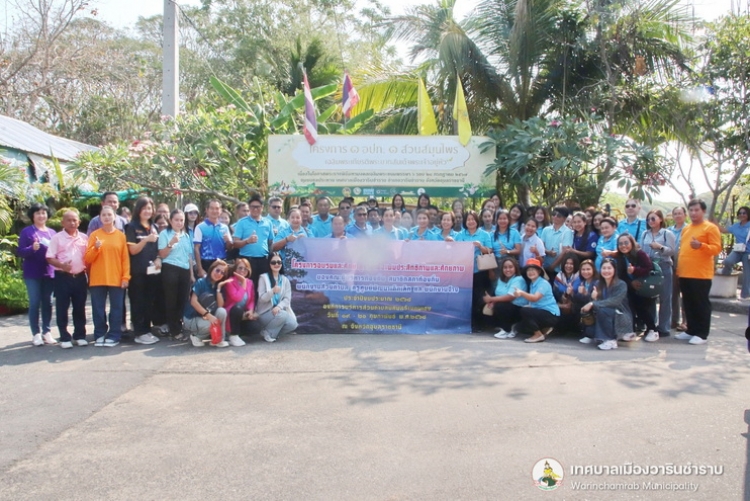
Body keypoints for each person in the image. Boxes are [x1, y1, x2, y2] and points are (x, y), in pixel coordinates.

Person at [674, 199, 722, 345]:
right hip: (685, 272)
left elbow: (716, 248)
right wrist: (679, 269)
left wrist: (701, 246)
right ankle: (691, 330)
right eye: (691, 210)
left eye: (696, 210)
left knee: (701, 303)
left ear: (703, 211)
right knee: (688, 303)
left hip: (701, 274)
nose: (693, 213)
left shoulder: (710, 228)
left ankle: (702, 333)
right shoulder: (686, 229)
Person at [85, 206, 130, 347]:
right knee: (98, 309)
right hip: (97, 278)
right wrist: (96, 248)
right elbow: (88, 258)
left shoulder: (120, 236)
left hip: (116, 278)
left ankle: (114, 335)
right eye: (103, 215)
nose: (106, 217)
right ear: (99, 218)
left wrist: (125, 277)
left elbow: (125, 259)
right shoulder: (94, 235)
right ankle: (99, 334)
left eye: (109, 215)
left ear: (114, 217)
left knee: (116, 308)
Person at [46, 210, 88, 348]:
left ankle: (79, 335)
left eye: (74, 220)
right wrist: (61, 265)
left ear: (79, 222)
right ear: (62, 222)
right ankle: (64, 337)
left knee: (80, 307)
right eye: (68, 220)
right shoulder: (57, 238)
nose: (72, 223)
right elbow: (49, 257)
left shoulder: (84, 238)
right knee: (62, 308)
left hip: (80, 277)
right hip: (62, 278)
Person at [18, 203, 57, 346]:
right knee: (34, 302)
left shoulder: (52, 233)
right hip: (32, 273)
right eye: (38, 213)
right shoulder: (27, 231)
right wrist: (32, 248)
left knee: (48, 303)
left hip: (49, 272)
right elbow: (20, 251)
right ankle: (36, 333)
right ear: (32, 216)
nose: (41, 216)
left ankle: (47, 331)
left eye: (43, 213)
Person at [125, 197, 161, 345]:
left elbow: (158, 248)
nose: (147, 211)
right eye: (144, 208)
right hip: (137, 272)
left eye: (149, 208)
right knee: (138, 302)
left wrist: (158, 258)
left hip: (152, 271)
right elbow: (132, 250)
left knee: (149, 302)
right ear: (138, 210)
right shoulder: (131, 227)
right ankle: (139, 333)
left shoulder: (154, 226)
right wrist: (145, 239)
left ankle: (146, 330)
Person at [579, 257, 633, 350]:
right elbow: (593, 302)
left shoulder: (621, 284)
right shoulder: (598, 283)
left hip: (619, 315)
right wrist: (591, 297)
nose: (606, 271)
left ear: (614, 270)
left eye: (609, 268)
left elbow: (614, 301)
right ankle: (601, 336)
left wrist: (593, 303)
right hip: (602, 315)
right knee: (590, 330)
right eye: (604, 268)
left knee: (603, 310)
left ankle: (610, 340)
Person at [614, 233, 657, 341]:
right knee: (630, 308)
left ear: (632, 243)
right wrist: (631, 283)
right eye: (620, 244)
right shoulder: (620, 257)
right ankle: (631, 331)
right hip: (630, 286)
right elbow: (621, 274)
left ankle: (653, 330)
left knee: (642, 309)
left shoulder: (640, 254)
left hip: (644, 286)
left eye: (626, 243)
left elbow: (648, 268)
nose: (623, 246)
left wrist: (635, 270)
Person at [158, 209, 195, 338]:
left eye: (181, 220)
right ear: (170, 221)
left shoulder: (186, 236)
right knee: (171, 300)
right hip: (170, 268)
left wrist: (191, 274)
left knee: (183, 299)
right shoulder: (165, 234)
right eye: (176, 220)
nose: (179, 223)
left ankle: (179, 325)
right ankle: (173, 329)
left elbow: (189, 256)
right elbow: (162, 254)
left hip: (185, 269)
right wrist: (171, 243)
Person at [640, 209, 676, 339]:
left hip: (663, 266)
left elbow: (672, 251)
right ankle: (651, 326)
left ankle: (664, 327)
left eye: (653, 218)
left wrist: (660, 247)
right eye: (648, 219)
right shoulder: (645, 234)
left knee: (665, 298)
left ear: (660, 219)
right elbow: (641, 250)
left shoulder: (667, 234)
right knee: (650, 297)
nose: (651, 221)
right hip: (650, 267)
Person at [456, 211, 493, 331]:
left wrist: (480, 247)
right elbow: (453, 250)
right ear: (465, 222)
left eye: (473, 219)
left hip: (479, 272)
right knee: (465, 298)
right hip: (464, 272)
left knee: (478, 298)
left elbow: (490, 251)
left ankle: (478, 324)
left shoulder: (484, 234)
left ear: (477, 221)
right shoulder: (460, 235)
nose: (471, 222)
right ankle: (465, 323)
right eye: (468, 219)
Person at [183, 260, 230, 348]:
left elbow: (220, 306)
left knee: (222, 311)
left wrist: (219, 288)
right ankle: (196, 337)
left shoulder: (218, 286)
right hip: (192, 318)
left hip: (205, 317)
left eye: (222, 273)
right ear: (212, 269)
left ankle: (218, 339)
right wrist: (208, 315)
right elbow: (193, 302)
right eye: (217, 270)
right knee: (212, 324)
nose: (219, 274)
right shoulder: (201, 282)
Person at [513, 258, 560, 343]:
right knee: (519, 327)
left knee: (525, 311)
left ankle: (538, 334)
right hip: (540, 312)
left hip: (550, 314)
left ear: (539, 271)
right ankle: (545, 330)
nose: (530, 272)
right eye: (528, 270)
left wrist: (521, 293)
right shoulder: (533, 283)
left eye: (533, 269)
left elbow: (535, 298)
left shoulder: (543, 283)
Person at [233, 194, 274, 292]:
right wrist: (247, 241)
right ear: (249, 207)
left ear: (262, 208)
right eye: (252, 207)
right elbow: (235, 243)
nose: (255, 209)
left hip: (263, 260)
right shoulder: (242, 222)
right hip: (247, 260)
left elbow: (271, 241)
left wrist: (271, 256)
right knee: (247, 288)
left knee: (263, 288)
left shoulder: (268, 223)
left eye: (258, 207)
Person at [256, 253, 298, 342]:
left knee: (293, 324)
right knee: (283, 315)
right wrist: (272, 291)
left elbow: (287, 299)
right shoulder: (263, 278)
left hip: (278, 312)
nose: (276, 264)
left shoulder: (285, 280)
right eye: (273, 262)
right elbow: (262, 299)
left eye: (279, 262)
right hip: (264, 313)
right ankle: (269, 333)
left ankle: (269, 332)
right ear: (269, 264)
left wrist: (279, 307)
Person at [216, 258, 255, 346]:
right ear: (235, 269)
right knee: (237, 309)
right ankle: (233, 335)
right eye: (240, 268)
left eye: (245, 268)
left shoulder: (250, 282)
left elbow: (251, 299)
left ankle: (237, 334)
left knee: (255, 327)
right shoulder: (230, 281)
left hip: (243, 314)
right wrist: (243, 283)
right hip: (231, 313)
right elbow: (237, 298)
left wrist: (250, 310)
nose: (242, 270)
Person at [485, 257, 526, 339]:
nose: (508, 270)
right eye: (505, 267)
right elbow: (498, 294)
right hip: (507, 306)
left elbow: (510, 297)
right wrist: (492, 302)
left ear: (515, 268)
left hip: (519, 308)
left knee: (500, 306)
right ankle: (510, 327)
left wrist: (492, 299)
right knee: (487, 306)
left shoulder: (519, 279)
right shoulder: (501, 279)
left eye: (510, 267)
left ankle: (506, 330)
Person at [194, 199, 233, 278]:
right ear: (207, 210)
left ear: (220, 210)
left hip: (221, 262)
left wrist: (228, 242)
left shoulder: (224, 227)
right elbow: (196, 248)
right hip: (206, 263)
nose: (214, 211)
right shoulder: (200, 227)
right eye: (212, 208)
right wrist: (200, 269)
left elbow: (229, 248)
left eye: (217, 208)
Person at [717, 206, 750, 298]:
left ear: (748, 214)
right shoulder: (736, 226)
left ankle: (745, 295)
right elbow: (724, 230)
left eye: (744, 213)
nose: (742, 215)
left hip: (748, 253)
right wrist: (714, 222)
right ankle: (726, 272)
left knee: (747, 274)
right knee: (727, 261)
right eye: (740, 213)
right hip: (738, 250)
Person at [668, 206, 688, 330]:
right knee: (673, 293)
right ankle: (674, 319)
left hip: (685, 265)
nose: (677, 216)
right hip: (671, 264)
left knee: (685, 293)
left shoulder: (688, 229)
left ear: (685, 215)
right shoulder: (668, 230)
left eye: (680, 213)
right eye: (675, 213)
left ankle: (686, 321)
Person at [540, 207, 574, 276]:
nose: (555, 217)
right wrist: (548, 252)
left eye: (559, 215)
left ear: (564, 218)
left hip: (558, 269)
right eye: (553, 214)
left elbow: (565, 252)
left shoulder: (567, 232)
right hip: (543, 266)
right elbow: (541, 247)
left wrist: (552, 267)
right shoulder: (546, 230)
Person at [570, 259, 598, 343]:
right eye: (583, 269)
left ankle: (590, 334)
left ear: (593, 270)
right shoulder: (582, 282)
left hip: (594, 308)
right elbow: (577, 299)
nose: (586, 272)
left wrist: (586, 293)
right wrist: (571, 293)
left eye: (588, 269)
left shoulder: (597, 282)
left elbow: (595, 300)